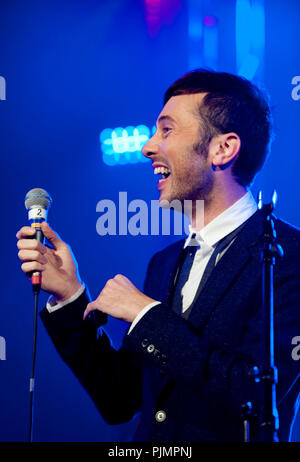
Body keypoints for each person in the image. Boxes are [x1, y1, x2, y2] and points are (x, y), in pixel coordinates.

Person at [17, 70, 300, 442]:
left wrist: (146, 315)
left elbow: (257, 396)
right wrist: (69, 296)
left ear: (223, 149)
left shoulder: (287, 256)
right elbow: (121, 399)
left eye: (167, 130)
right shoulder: (165, 262)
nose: (147, 147)